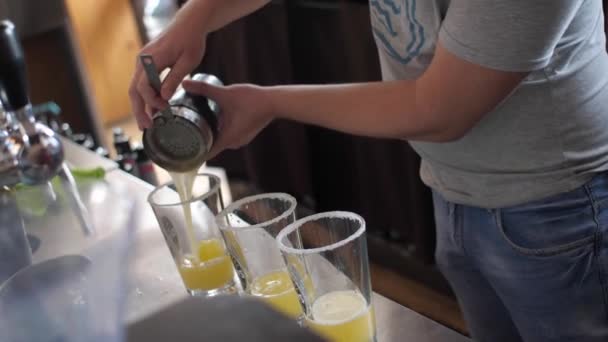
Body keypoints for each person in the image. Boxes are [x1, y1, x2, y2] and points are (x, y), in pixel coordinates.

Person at [130, 1, 608, 341]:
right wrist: (192, 19)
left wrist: (269, 102)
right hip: (454, 189)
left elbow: (439, 109)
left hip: (554, 211)